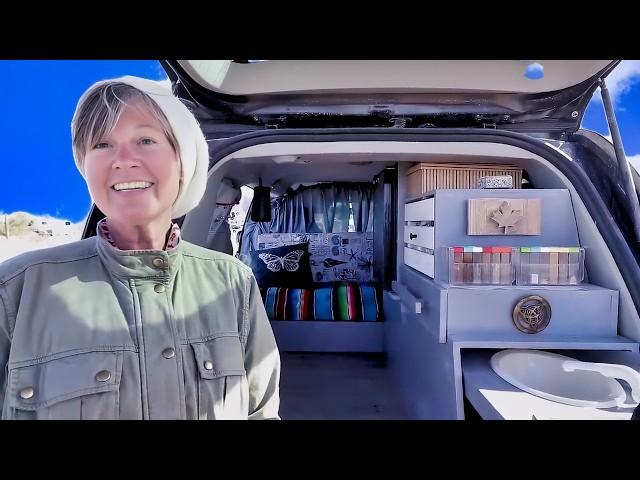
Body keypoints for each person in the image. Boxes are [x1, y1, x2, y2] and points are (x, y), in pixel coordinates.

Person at [0, 76, 280, 419]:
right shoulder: (15, 291)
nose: (123, 160)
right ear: (85, 166)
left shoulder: (234, 283)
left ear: (183, 162)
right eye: (102, 144)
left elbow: (261, 413)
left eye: (145, 140)